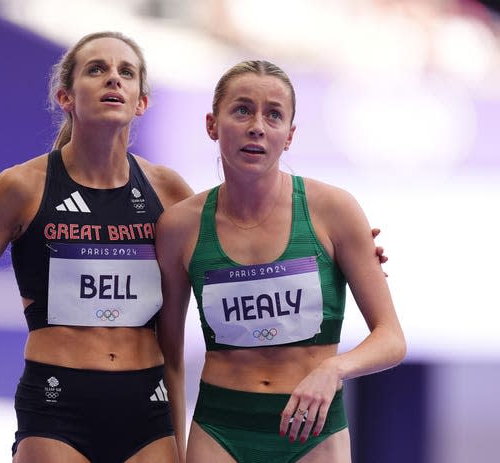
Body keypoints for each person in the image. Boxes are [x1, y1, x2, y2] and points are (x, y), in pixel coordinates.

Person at [0, 31, 195, 462]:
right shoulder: (22, 187)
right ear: (65, 96)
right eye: (97, 69)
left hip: (147, 406)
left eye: (126, 73)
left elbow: (204, 305)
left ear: (141, 102)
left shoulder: (169, 191)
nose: (113, 80)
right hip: (56, 406)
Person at [155, 60, 406, 463]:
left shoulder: (334, 210)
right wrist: (171, 448)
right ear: (211, 124)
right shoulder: (179, 227)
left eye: (273, 114)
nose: (257, 125)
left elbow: (392, 338)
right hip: (220, 430)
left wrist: (334, 369)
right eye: (242, 109)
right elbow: (167, 355)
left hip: (314, 432)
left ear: (289, 136)